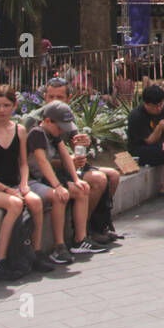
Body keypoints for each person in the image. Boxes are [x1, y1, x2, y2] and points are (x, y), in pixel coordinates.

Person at [0, 86, 54, 278]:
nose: (1, 110)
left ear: (14, 106)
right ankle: (0, 260)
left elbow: (23, 163)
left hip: (13, 184)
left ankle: (36, 252)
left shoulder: (19, 130)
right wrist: (7, 190)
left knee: (34, 201)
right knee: (15, 204)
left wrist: (23, 184)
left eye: (6, 105)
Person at [28, 76, 121, 244]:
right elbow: (35, 161)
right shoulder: (35, 122)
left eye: (59, 97)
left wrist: (82, 144)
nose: (53, 101)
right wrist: (68, 163)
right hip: (46, 171)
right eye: (50, 97)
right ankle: (81, 231)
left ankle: (97, 226)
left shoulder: (64, 114)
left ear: (69, 98)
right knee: (97, 180)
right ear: (44, 97)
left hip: (64, 165)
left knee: (113, 175)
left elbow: (73, 145)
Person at [26, 101, 109, 258]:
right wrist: (57, 185)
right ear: (47, 120)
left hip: (48, 177)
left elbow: (64, 155)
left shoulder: (53, 133)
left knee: (82, 188)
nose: (61, 131)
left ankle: (80, 239)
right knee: (60, 195)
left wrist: (76, 179)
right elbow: (42, 162)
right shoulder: (36, 133)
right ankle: (59, 245)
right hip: (35, 178)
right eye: (59, 127)